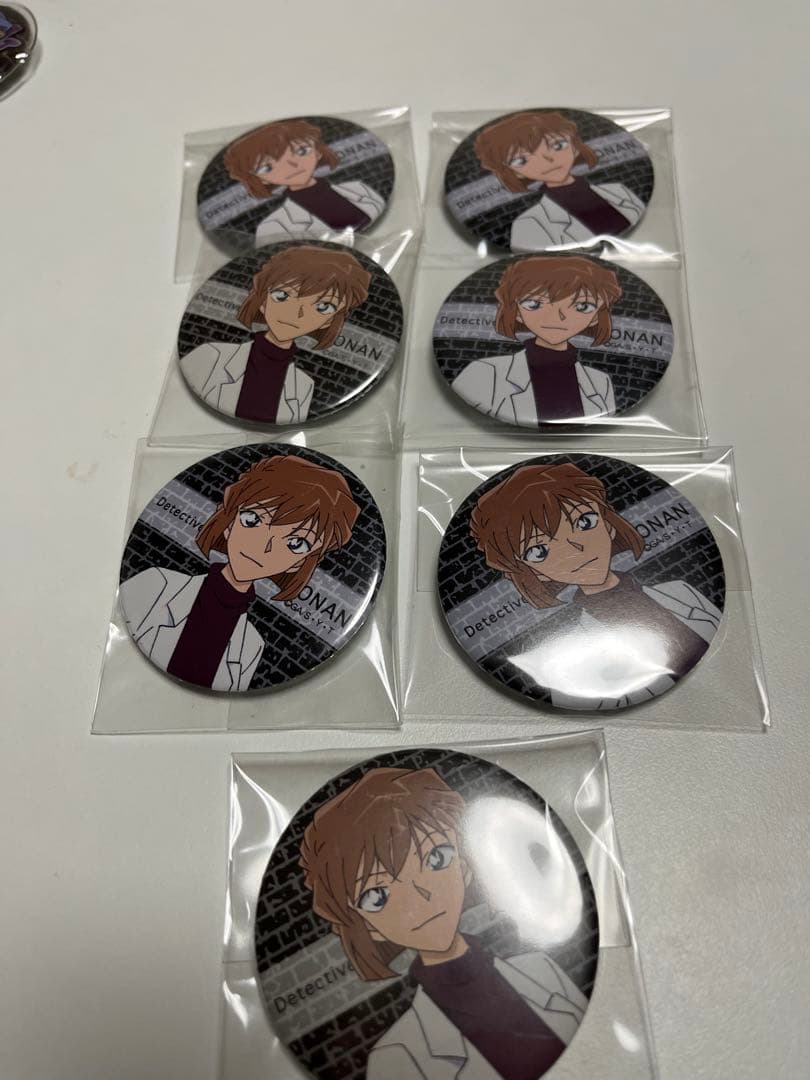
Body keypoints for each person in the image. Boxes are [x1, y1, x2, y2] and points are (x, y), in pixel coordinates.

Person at [300, 766, 587, 1079]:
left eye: (437, 858)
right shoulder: (397, 1056)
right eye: (377, 895)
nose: (421, 895)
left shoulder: (542, 970)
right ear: (366, 924)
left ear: (464, 866)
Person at [470, 462, 722, 708]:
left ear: (608, 524)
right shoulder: (565, 664)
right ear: (534, 571)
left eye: (584, 522)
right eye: (539, 551)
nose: (575, 548)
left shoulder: (681, 591)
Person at [119, 455, 360, 691]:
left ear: (299, 563)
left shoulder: (251, 646)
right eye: (253, 519)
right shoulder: (157, 586)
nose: (263, 547)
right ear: (230, 522)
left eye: (295, 543)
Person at [180, 245, 371, 424]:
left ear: (329, 320)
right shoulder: (211, 356)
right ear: (263, 300)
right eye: (282, 296)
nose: (297, 314)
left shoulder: (303, 386)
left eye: (323, 307)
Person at [451, 256, 621, 425]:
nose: (558, 317)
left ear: (595, 317)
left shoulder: (600, 382)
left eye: (582, 306)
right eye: (534, 304)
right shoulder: (487, 372)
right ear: (517, 311)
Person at [473, 112, 645, 252]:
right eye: (522, 160)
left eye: (557, 146)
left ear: (575, 147)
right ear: (514, 172)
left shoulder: (619, 191)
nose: (547, 160)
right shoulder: (529, 223)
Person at [224, 119, 385, 245]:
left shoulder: (359, 189)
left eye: (301, 151)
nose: (292, 166)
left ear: (317, 152)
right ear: (261, 178)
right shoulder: (274, 227)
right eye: (267, 167)